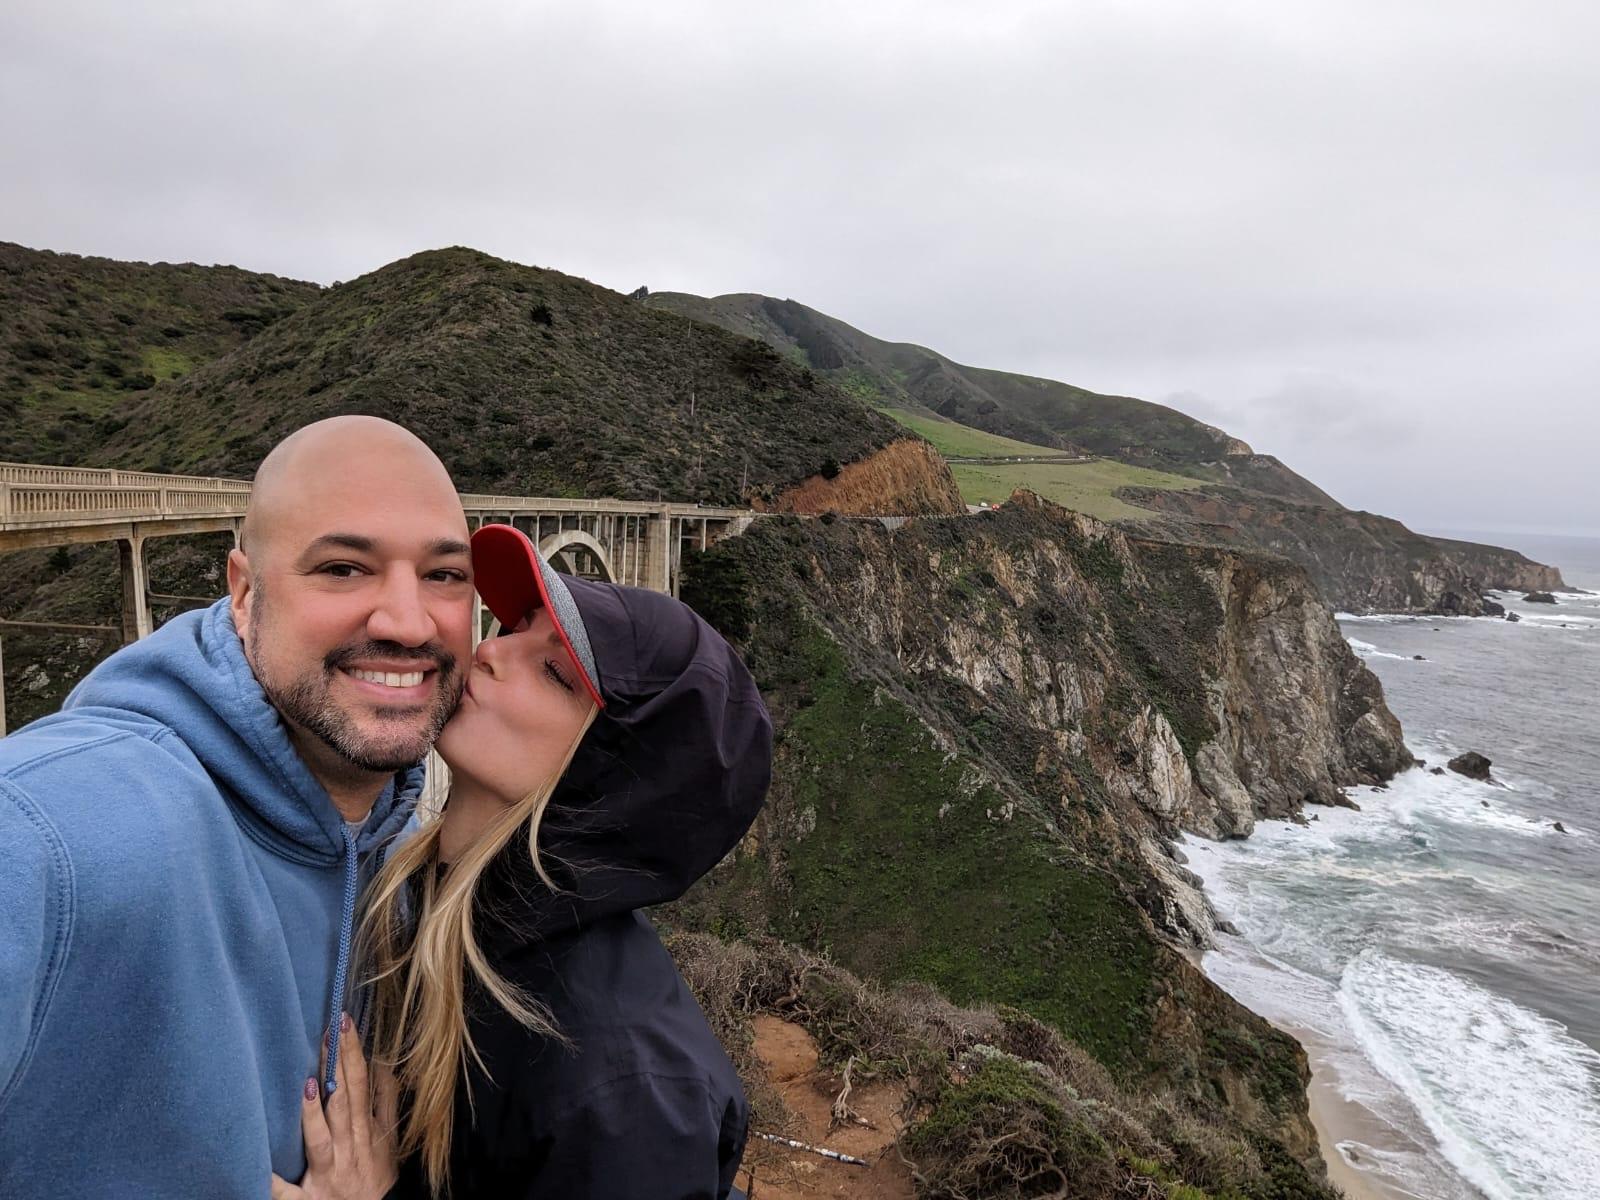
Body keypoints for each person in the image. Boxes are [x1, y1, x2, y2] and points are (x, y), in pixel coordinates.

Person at [0, 416, 474, 1197]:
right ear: (245, 593)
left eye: (445, 576)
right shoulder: (58, 831)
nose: (408, 621)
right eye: (343, 568)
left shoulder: (411, 855)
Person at [280, 522, 771, 1200]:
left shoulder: (623, 1093)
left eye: (554, 673)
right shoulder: (450, 912)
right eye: (519, 625)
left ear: (615, 772)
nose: (489, 650)